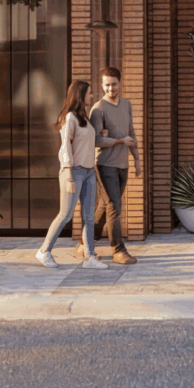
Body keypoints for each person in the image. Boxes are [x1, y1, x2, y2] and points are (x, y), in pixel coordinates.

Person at [36, 80, 109, 269]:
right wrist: (68, 175)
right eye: (89, 93)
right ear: (80, 95)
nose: (92, 96)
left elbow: (85, 143)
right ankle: (44, 251)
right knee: (65, 214)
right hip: (73, 171)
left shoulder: (83, 118)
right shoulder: (70, 118)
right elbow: (65, 148)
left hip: (88, 172)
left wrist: (100, 133)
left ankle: (89, 257)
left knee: (89, 217)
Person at [76, 65, 141, 265]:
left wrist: (136, 159)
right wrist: (120, 141)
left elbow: (132, 133)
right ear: (102, 85)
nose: (110, 89)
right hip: (105, 165)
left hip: (123, 164)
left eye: (113, 85)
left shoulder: (126, 105)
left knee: (106, 206)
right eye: (106, 85)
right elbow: (96, 141)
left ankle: (84, 243)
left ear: (120, 84)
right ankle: (118, 250)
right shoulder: (99, 109)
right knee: (114, 206)